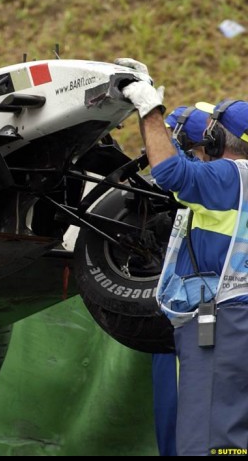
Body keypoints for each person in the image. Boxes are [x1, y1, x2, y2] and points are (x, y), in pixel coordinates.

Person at [121, 61, 248, 455]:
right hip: (237, 320)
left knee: (206, 436)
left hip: (225, 319)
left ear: (213, 142)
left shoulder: (233, 176)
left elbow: (172, 173)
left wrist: (149, 109)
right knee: (230, 434)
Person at [151, 103, 212, 457]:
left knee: (183, 424)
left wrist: (153, 118)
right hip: (210, 319)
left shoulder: (205, 183)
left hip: (200, 319)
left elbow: (172, 172)